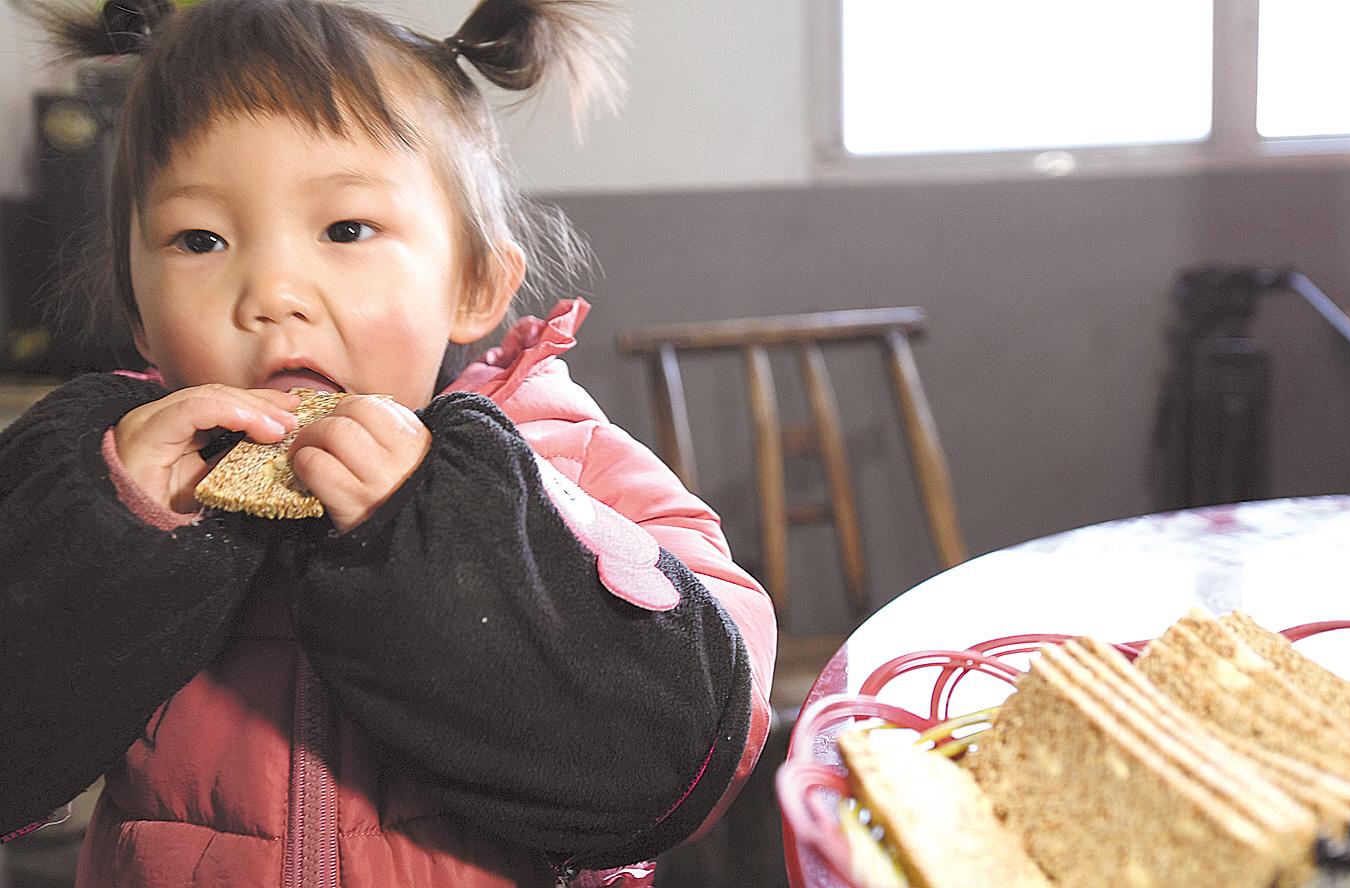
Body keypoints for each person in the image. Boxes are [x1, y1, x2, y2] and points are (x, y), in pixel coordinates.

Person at [0, 1, 776, 885]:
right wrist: (104, 537)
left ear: (474, 282)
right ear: (137, 313)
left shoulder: (570, 467)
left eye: (346, 229)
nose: (272, 292)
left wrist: (432, 536)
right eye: (200, 239)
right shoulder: (107, 482)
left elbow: (679, 767)